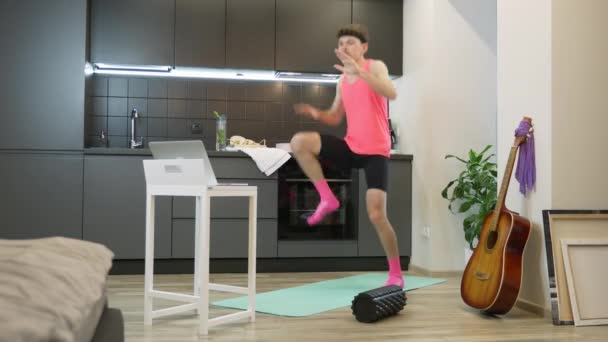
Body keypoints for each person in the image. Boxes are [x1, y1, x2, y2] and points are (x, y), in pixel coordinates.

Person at [290, 24, 403, 288]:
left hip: (376, 151)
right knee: (299, 143)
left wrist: (360, 73)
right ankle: (327, 199)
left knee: (376, 215)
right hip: (352, 146)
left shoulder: (375, 67)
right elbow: (335, 116)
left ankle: (396, 274)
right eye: (341, 44)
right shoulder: (342, 80)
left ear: (363, 47)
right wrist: (317, 114)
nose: (345, 48)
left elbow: (391, 93)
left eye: (350, 42)